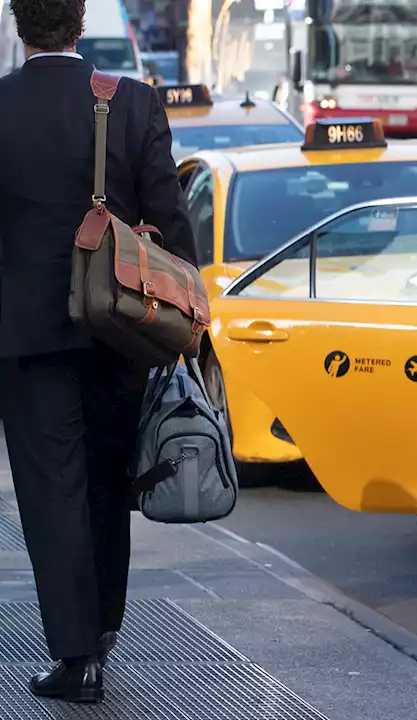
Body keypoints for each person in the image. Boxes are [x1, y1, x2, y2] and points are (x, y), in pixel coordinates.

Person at [0, 0, 197, 704]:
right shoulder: (135, 104)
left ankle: (77, 654)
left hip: (25, 336)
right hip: (121, 328)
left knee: (53, 491)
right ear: (79, 24)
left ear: (20, 26)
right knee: (109, 482)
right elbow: (171, 220)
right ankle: (103, 630)